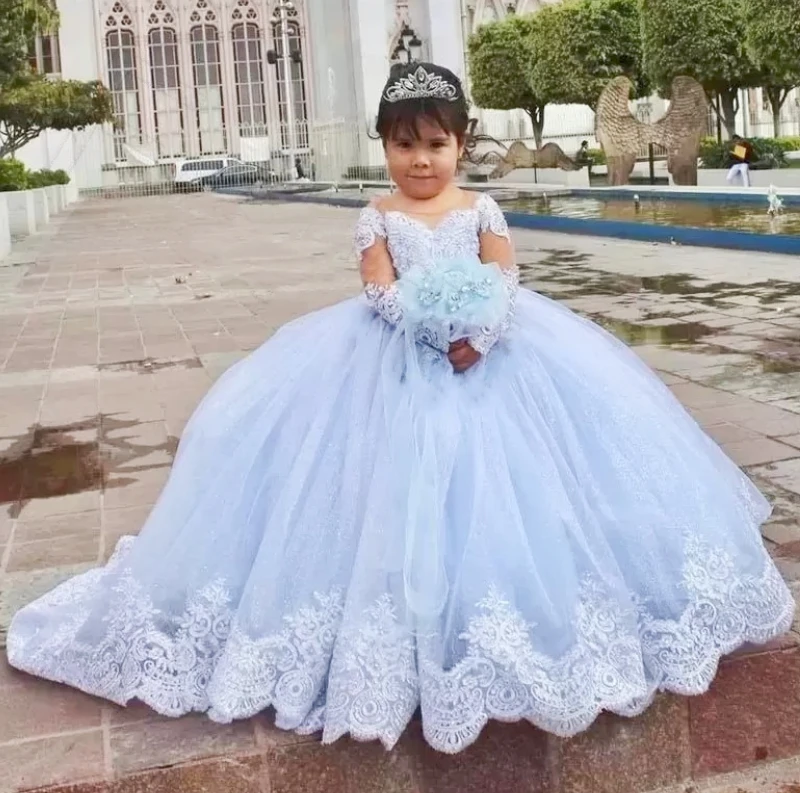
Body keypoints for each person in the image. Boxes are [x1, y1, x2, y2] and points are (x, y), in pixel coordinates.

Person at [7, 63, 793, 754]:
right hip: (391, 359)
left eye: (436, 144)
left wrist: (479, 330)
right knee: (380, 496)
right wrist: (423, 321)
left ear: (463, 144)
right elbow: (378, 287)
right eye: (405, 144)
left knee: (526, 492)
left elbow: (505, 277)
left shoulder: (483, 208)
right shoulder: (376, 214)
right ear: (385, 145)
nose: (421, 160)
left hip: (493, 353)